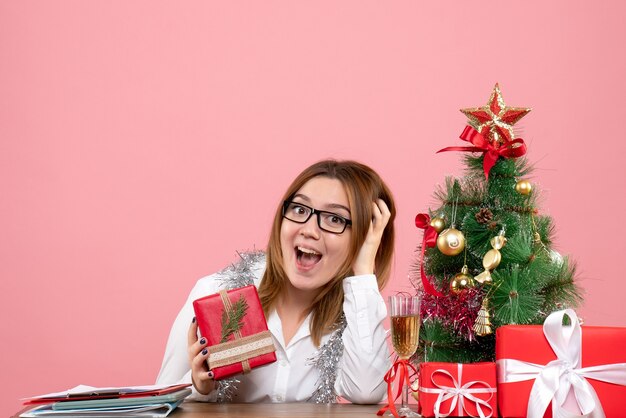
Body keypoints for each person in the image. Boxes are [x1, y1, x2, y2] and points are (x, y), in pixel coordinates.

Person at [156, 159, 396, 404]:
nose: (310, 230)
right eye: (300, 210)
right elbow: (157, 401)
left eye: (335, 219)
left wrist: (365, 270)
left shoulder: (356, 316)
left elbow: (367, 392)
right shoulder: (217, 293)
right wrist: (200, 387)